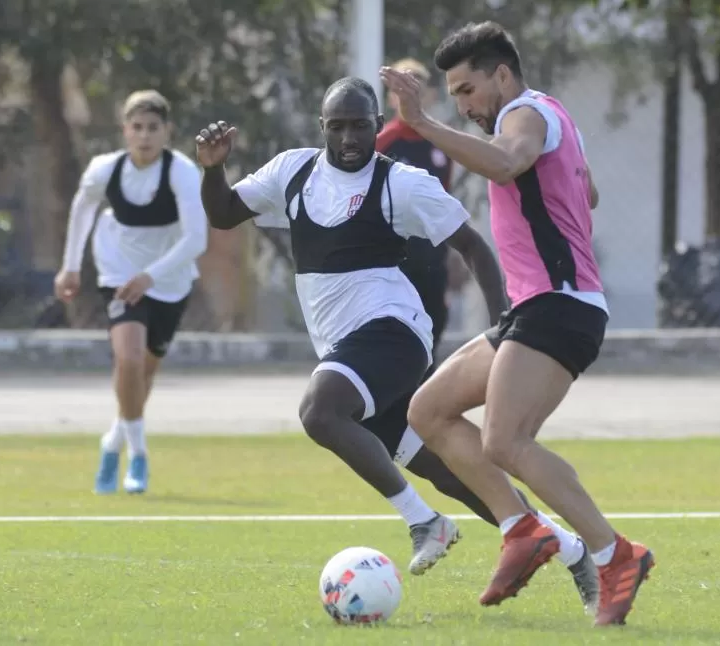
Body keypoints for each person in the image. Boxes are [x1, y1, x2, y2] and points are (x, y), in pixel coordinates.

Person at [195, 78, 598, 606]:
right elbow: (223, 213)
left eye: (360, 125)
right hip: (345, 349)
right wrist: (211, 167)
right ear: (322, 128)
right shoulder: (291, 171)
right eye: (336, 126)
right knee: (453, 472)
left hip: (394, 331)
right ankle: (571, 551)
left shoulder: (399, 183)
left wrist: (504, 327)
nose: (348, 138)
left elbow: (473, 248)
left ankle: (424, 522)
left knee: (320, 412)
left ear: (377, 126)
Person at [381, 22, 654, 626]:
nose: (464, 106)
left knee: (506, 441)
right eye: (453, 95)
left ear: (502, 75)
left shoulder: (527, 113)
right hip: (534, 306)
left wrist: (422, 123)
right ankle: (523, 527)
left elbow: (508, 164)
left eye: (468, 90)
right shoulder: (551, 118)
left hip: (561, 306)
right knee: (427, 411)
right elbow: (590, 195)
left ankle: (615, 553)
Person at [55, 90, 208, 496]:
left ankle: (112, 442)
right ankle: (138, 456)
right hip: (118, 270)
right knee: (128, 357)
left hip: (170, 280)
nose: (144, 136)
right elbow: (82, 207)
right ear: (124, 130)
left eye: (153, 128)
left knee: (144, 372)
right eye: (136, 127)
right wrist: (70, 265)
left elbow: (196, 239)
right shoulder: (105, 169)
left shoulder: (182, 171)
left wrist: (151, 277)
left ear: (167, 132)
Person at [377, 58, 456, 361]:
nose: (409, 97)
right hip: (393, 263)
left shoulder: (443, 145)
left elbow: (444, 205)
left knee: (432, 331)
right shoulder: (381, 144)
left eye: (417, 89)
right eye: (401, 89)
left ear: (430, 95)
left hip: (431, 261)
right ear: (391, 97)